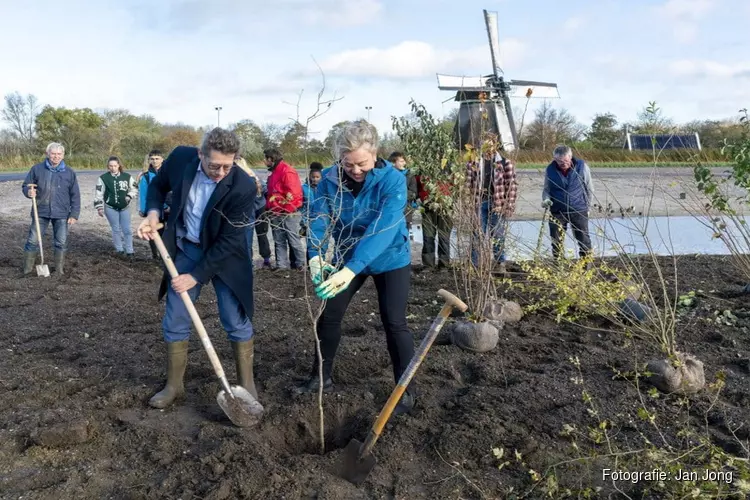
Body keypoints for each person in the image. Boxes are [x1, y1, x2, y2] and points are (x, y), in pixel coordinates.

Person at [137, 128, 259, 409]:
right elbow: (157, 186)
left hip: (227, 257)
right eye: (214, 165)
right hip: (188, 248)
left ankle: (247, 384)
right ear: (200, 155)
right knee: (176, 315)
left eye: (227, 166)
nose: (220, 172)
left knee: (234, 318)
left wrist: (195, 276)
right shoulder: (181, 158)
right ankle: (174, 386)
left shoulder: (242, 186)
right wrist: (154, 214)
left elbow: (230, 241)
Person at [300, 120, 416, 416]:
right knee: (329, 316)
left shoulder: (392, 180)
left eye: (362, 163)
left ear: (375, 153)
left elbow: (383, 227)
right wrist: (315, 254)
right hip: (347, 254)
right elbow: (319, 217)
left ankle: (405, 392)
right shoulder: (328, 180)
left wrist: (350, 270)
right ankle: (320, 379)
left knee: (394, 322)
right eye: (348, 163)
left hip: (389, 256)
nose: (355, 170)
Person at [21, 142, 81, 276]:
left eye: (59, 154)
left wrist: (74, 214)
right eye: (53, 153)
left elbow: (75, 195)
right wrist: (28, 192)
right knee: (32, 241)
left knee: (61, 242)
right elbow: (26, 186)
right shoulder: (37, 169)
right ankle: (27, 270)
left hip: (61, 213)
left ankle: (59, 270)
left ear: (63, 155)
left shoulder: (69, 173)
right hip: (40, 211)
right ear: (47, 154)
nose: (56, 156)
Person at [466, 147, 517, 273]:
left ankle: (500, 263)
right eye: (484, 144)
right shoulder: (473, 163)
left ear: (495, 145)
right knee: (477, 234)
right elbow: (467, 184)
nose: (487, 148)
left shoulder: (505, 163)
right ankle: (475, 265)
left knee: (498, 235)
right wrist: (467, 203)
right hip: (478, 202)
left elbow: (511, 186)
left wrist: (509, 206)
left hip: (497, 204)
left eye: (490, 145)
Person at [542, 144, 594, 260]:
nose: (563, 164)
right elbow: (546, 189)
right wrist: (546, 200)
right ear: (555, 159)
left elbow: (589, 189)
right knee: (556, 241)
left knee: (583, 239)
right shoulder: (550, 169)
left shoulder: (582, 167)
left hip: (578, 209)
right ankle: (559, 266)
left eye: (565, 161)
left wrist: (588, 208)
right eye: (559, 162)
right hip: (557, 211)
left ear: (570, 157)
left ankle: (586, 266)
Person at [264, 148, 305, 269]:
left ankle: (301, 264)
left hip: (288, 213)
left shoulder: (287, 171)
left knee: (293, 240)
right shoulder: (274, 172)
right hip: (275, 212)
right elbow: (272, 194)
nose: (264, 161)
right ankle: (281, 265)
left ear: (271, 159)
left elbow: (294, 193)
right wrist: (268, 209)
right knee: (278, 241)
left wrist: (286, 210)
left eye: (266, 159)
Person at [94, 156, 138, 258]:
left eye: (115, 165)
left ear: (119, 165)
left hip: (125, 207)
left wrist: (129, 196)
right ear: (108, 167)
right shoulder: (103, 178)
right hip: (110, 206)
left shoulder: (127, 176)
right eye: (110, 166)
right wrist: (99, 207)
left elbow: (135, 188)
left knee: (127, 229)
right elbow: (99, 193)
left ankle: (130, 251)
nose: (113, 168)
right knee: (116, 228)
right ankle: (119, 249)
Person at [415, 166, 453, 268]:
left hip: (445, 206)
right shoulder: (422, 168)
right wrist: (419, 197)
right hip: (427, 207)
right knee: (428, 236)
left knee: (444, 236)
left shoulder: (449, 167)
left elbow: (456, 185)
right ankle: (428, 264)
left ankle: (444, 264)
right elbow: (417, 185)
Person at [138, 149, 171, 259]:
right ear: (149, 160)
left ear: (162, 159)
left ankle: (166, 256)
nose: (155, 161)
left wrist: (169, 206)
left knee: (169, 233)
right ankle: (155, 255)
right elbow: (143, 194)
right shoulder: (146, 177)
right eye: (152, 159)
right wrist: (144, 209)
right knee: (153, 230)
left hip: (169, 208)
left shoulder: (169, 174)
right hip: (153, 210)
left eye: (157, 158)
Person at [388, 152, 418, 232]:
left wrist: (400, 192)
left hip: (405, 212)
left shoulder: (409, 175)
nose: (404, 163)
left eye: (404, 161)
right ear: (393, 163)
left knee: (403, 237)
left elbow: (414, 193)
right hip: (389, 213)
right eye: (401, 161)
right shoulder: (387, 175)